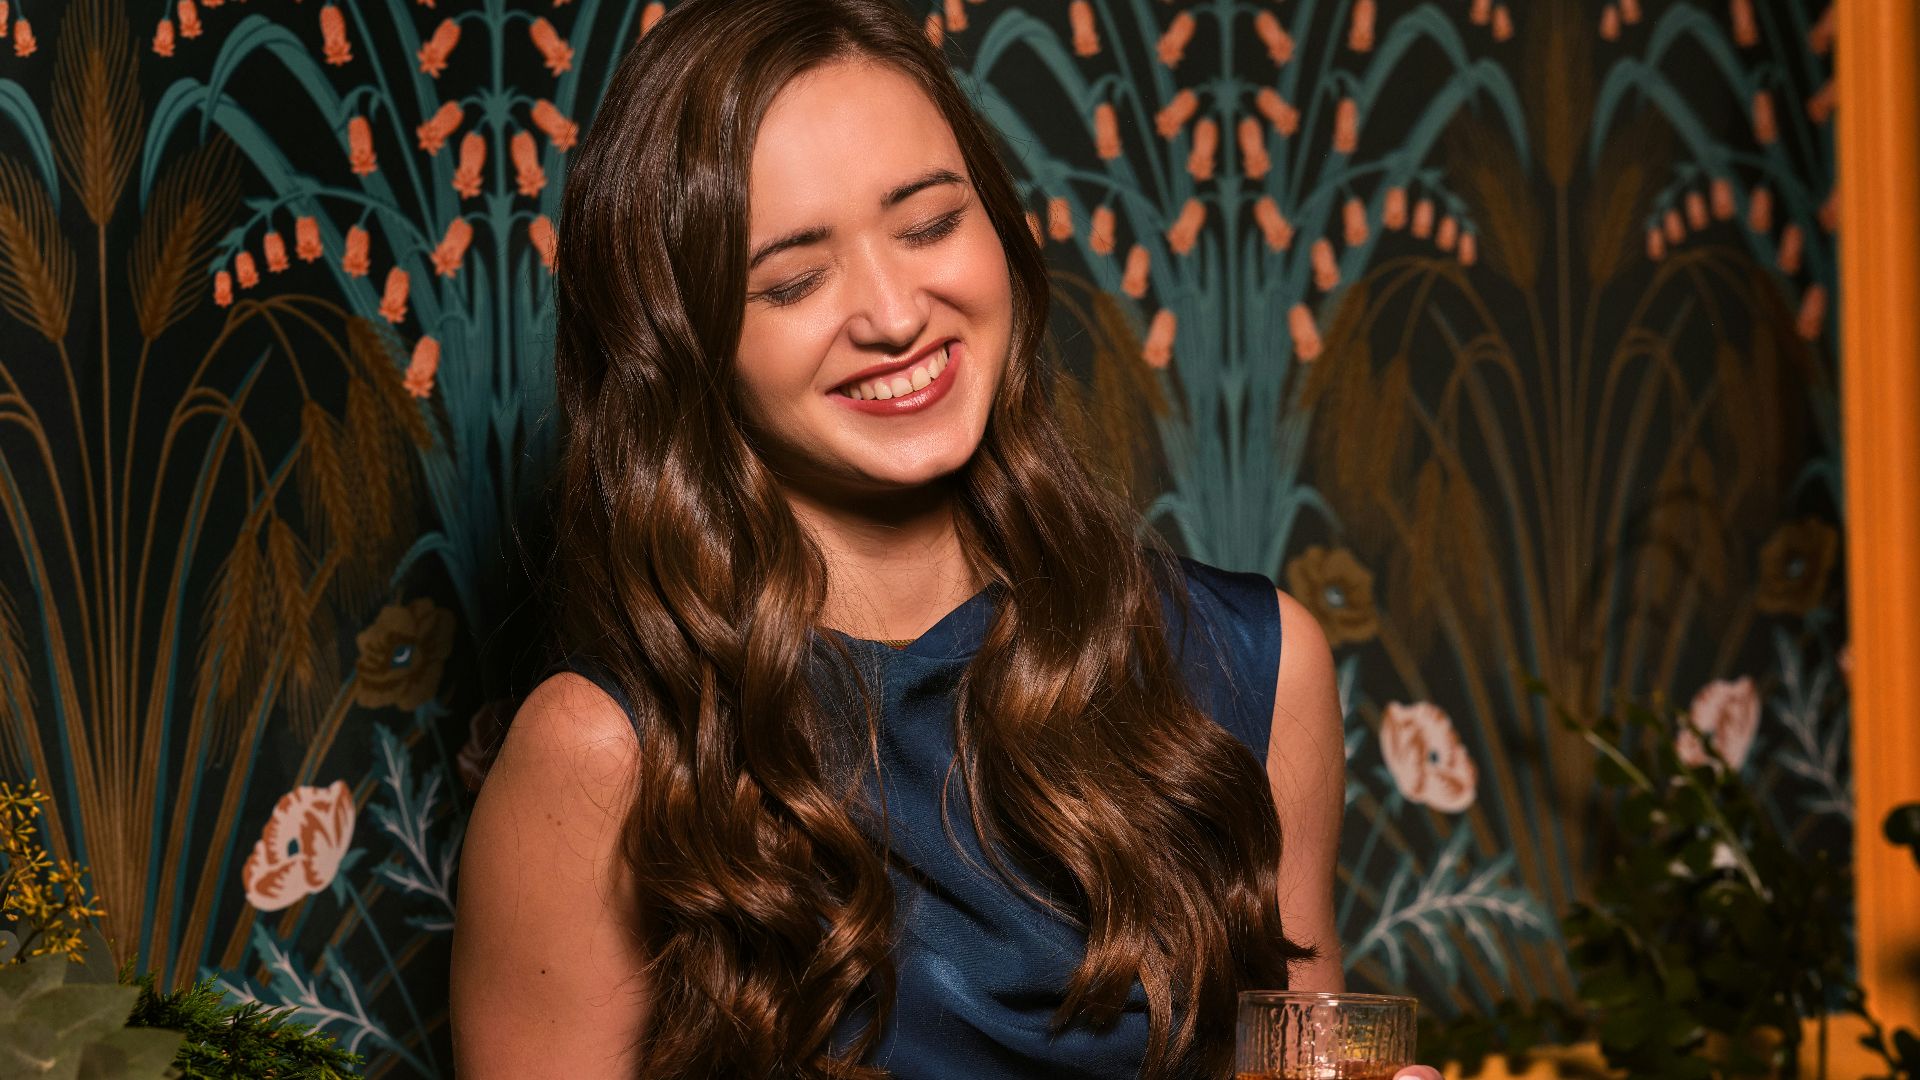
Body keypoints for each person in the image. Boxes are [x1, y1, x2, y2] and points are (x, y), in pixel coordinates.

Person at [450, 1, 1443, 1077]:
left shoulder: (1252, 662)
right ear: (679, 344)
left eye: (929, 225)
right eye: (791, 280)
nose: (892, 312)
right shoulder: (604, 759)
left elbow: (1305, 1058)